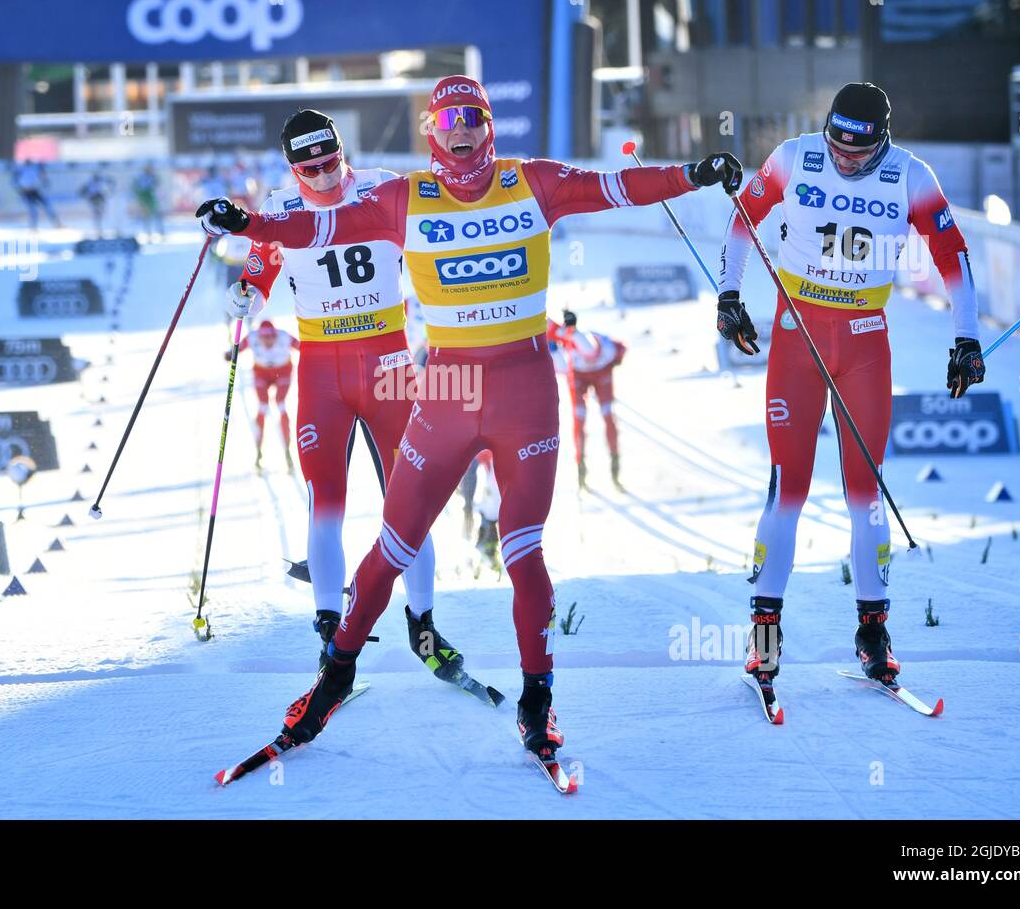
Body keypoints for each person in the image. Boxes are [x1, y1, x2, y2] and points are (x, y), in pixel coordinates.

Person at [199, 75, 741, 763]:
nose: (462, 132)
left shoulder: (530, 180)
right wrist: (246, 229)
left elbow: (615, 188)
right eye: (450, 120)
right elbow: (311, 229)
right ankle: (333, 679)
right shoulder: (402, 197)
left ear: (490, 127)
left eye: (475, 118)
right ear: (433, 131)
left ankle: (535, 704)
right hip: (447, 387)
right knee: (389, 543)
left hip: (522, 388)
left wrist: (694, 174)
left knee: (523, 549)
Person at [716, 81, 984, 700]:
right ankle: (764, 642)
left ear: (881, 142)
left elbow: (953, 255)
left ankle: (873, 633)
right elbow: (742, 221)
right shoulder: (794, 155)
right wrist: (729, 297)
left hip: (865, 342)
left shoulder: (911, 176)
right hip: (796, 336)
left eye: (857, 154)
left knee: (865, 492)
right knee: (789, 487)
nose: (843, 159)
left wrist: (965, 339)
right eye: (836, 146)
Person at [221, 109, 457, 676]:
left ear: (341, 152)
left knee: (410, 501)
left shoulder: (382, 188)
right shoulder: (277, 209)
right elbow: (256, 279)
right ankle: (330, 632)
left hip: (389, 363)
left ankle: (422, 628)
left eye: (330, 164)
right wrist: (243, 298)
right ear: (290, 167)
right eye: (309, 170)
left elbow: (443, 237)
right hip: (322, 371)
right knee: (323, 503)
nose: (323, 178)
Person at [546, 310, 627, 490]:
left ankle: (615, 467)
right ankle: (581, 469)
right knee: (579, 419)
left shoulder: (606, 349)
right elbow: (545, 324)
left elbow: (611, 349)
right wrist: (554, 346)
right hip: (578, 375)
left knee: (608, 416)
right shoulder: (568, 353)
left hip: (602, 372)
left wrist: (570, 328)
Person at [228, 319, 301, 472]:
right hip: (261, 372)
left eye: (271, 338)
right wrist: (230, 354)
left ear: (275, 336)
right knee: (262, 407)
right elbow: (238, 348)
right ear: (259, 337)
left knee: (280, 403)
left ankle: (287, 448)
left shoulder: (283, 337)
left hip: (283, 371)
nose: (268, 342)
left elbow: (302, 347)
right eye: (264, 338)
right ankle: (258, 449)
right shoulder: (253, 338)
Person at [12, 160, 61, 231]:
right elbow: (14, 180)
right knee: (33, 210)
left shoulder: (35, 167)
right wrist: (19, 189)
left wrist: (45, 182)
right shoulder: (20, 168)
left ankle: (57, 223)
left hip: (35, 190)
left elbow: (42, 175)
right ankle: (33, 227)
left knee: (47, 206)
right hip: (26, 192)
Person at [131, 165, 164, 239]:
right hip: (145, 198)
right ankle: (149, 233)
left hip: (151, 199)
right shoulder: (141, 178)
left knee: (156, 215)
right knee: (147, 216)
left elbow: (157, 184)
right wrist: (140, 198)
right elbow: (136, 188)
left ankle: (160, 231)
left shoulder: (152, 177)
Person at [79, 171, 114, 238]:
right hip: (94, 198)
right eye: (95, 178)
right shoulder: (89, 183)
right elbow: (83, 191)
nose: (96, 179)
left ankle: (100, 228)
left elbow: (110, 181)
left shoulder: (101, 181)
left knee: (100, 214)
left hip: (99, 198)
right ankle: (99, 230)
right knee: (97, 214)